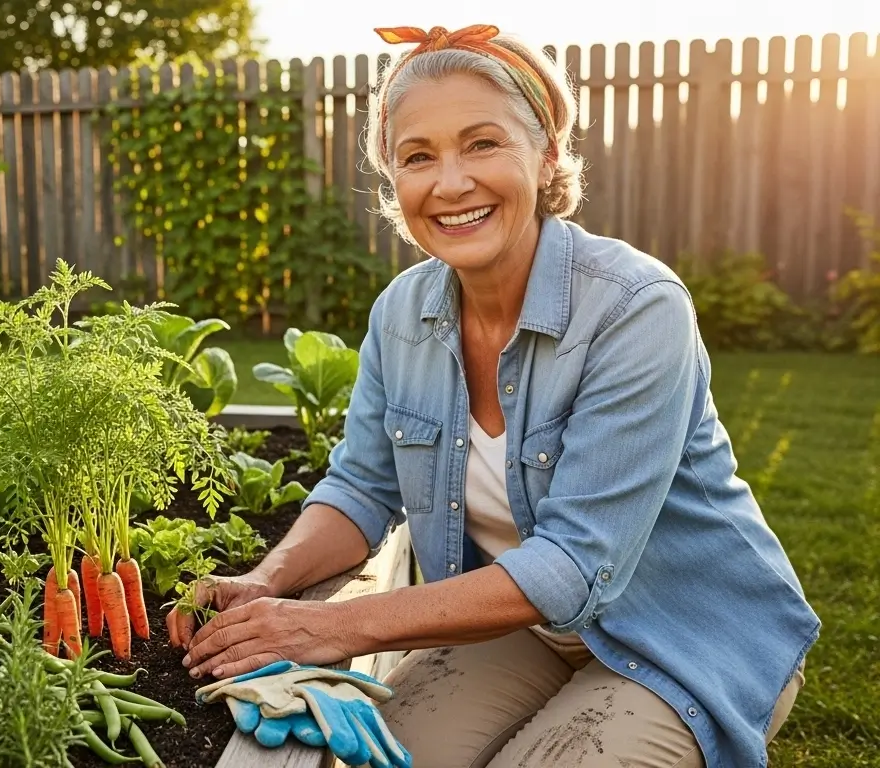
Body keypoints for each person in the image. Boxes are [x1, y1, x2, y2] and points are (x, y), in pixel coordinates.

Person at [167, 23, 820, 768]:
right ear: (393, 180)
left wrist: (332, 628)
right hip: (528, 631)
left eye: (482, 143)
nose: (450, 183)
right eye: (418, 157)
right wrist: (265, 581)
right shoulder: (401, 315)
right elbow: (360, 487)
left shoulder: (635, 307)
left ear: (544, 156)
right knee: (393, 759)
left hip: (687, 633)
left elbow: (575, 566)